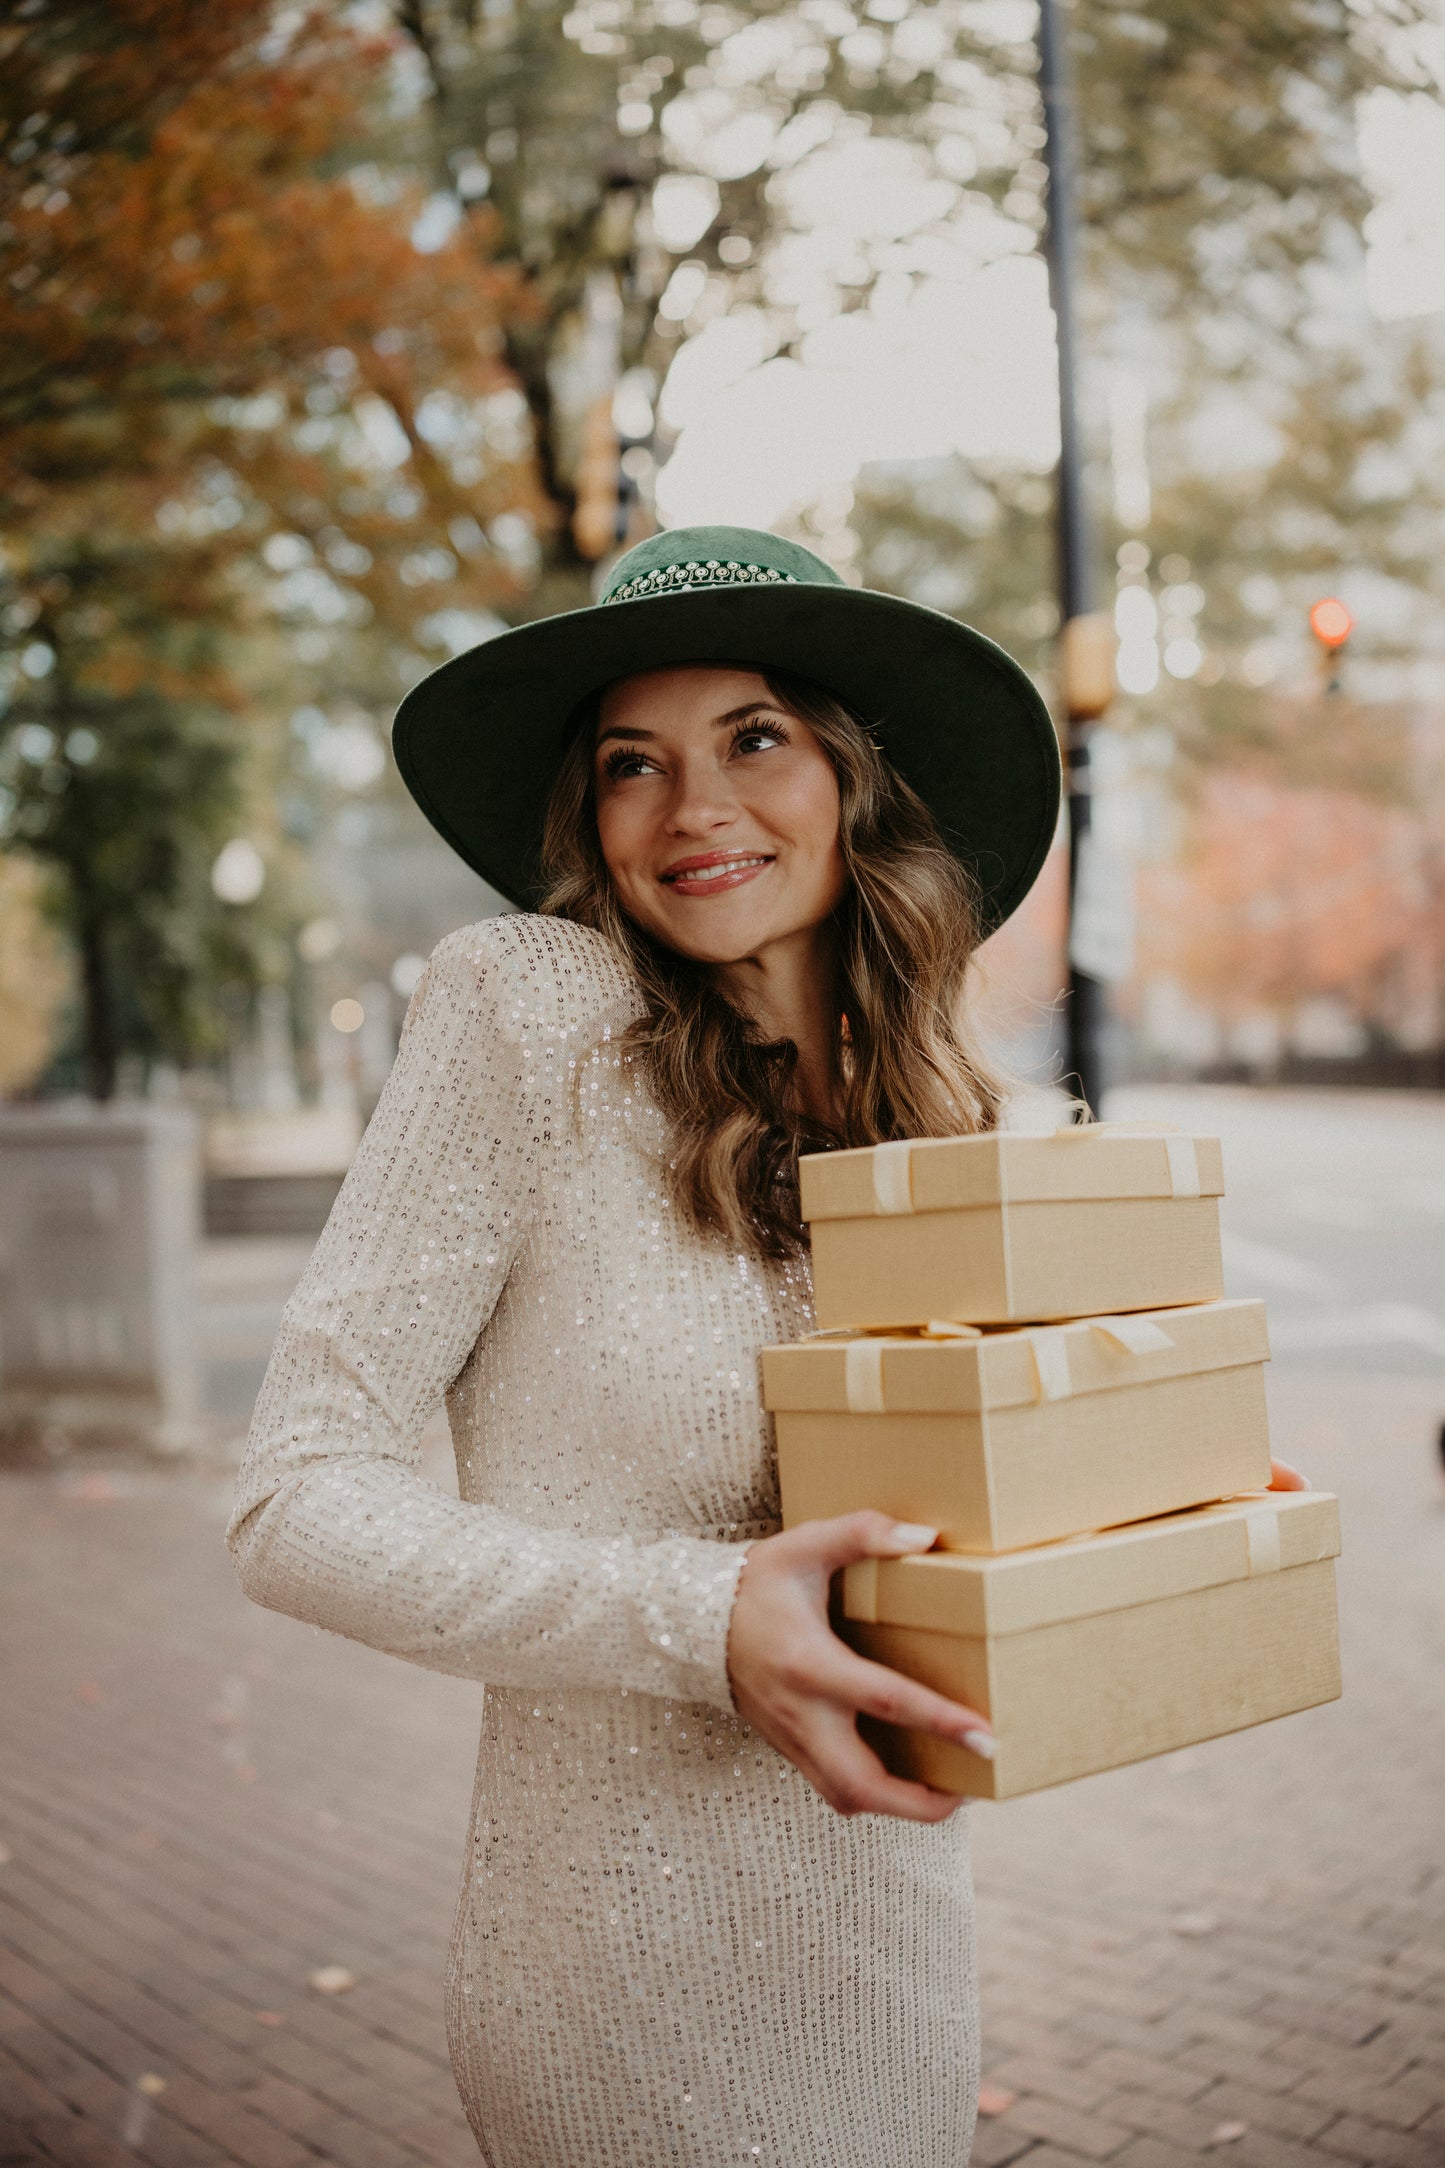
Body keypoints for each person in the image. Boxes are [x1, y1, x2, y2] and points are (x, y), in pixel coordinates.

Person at [226, 525, 1302, 2167]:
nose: (692, 810)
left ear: (852, 782)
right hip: (613, 1973)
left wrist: (1153, 1516)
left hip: (889, 1937)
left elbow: (967, 1540)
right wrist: (697, 1612)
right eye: (628, 765)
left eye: (753, 738)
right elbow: (293, 1501)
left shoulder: (966, 1125)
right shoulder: (531, 1017)